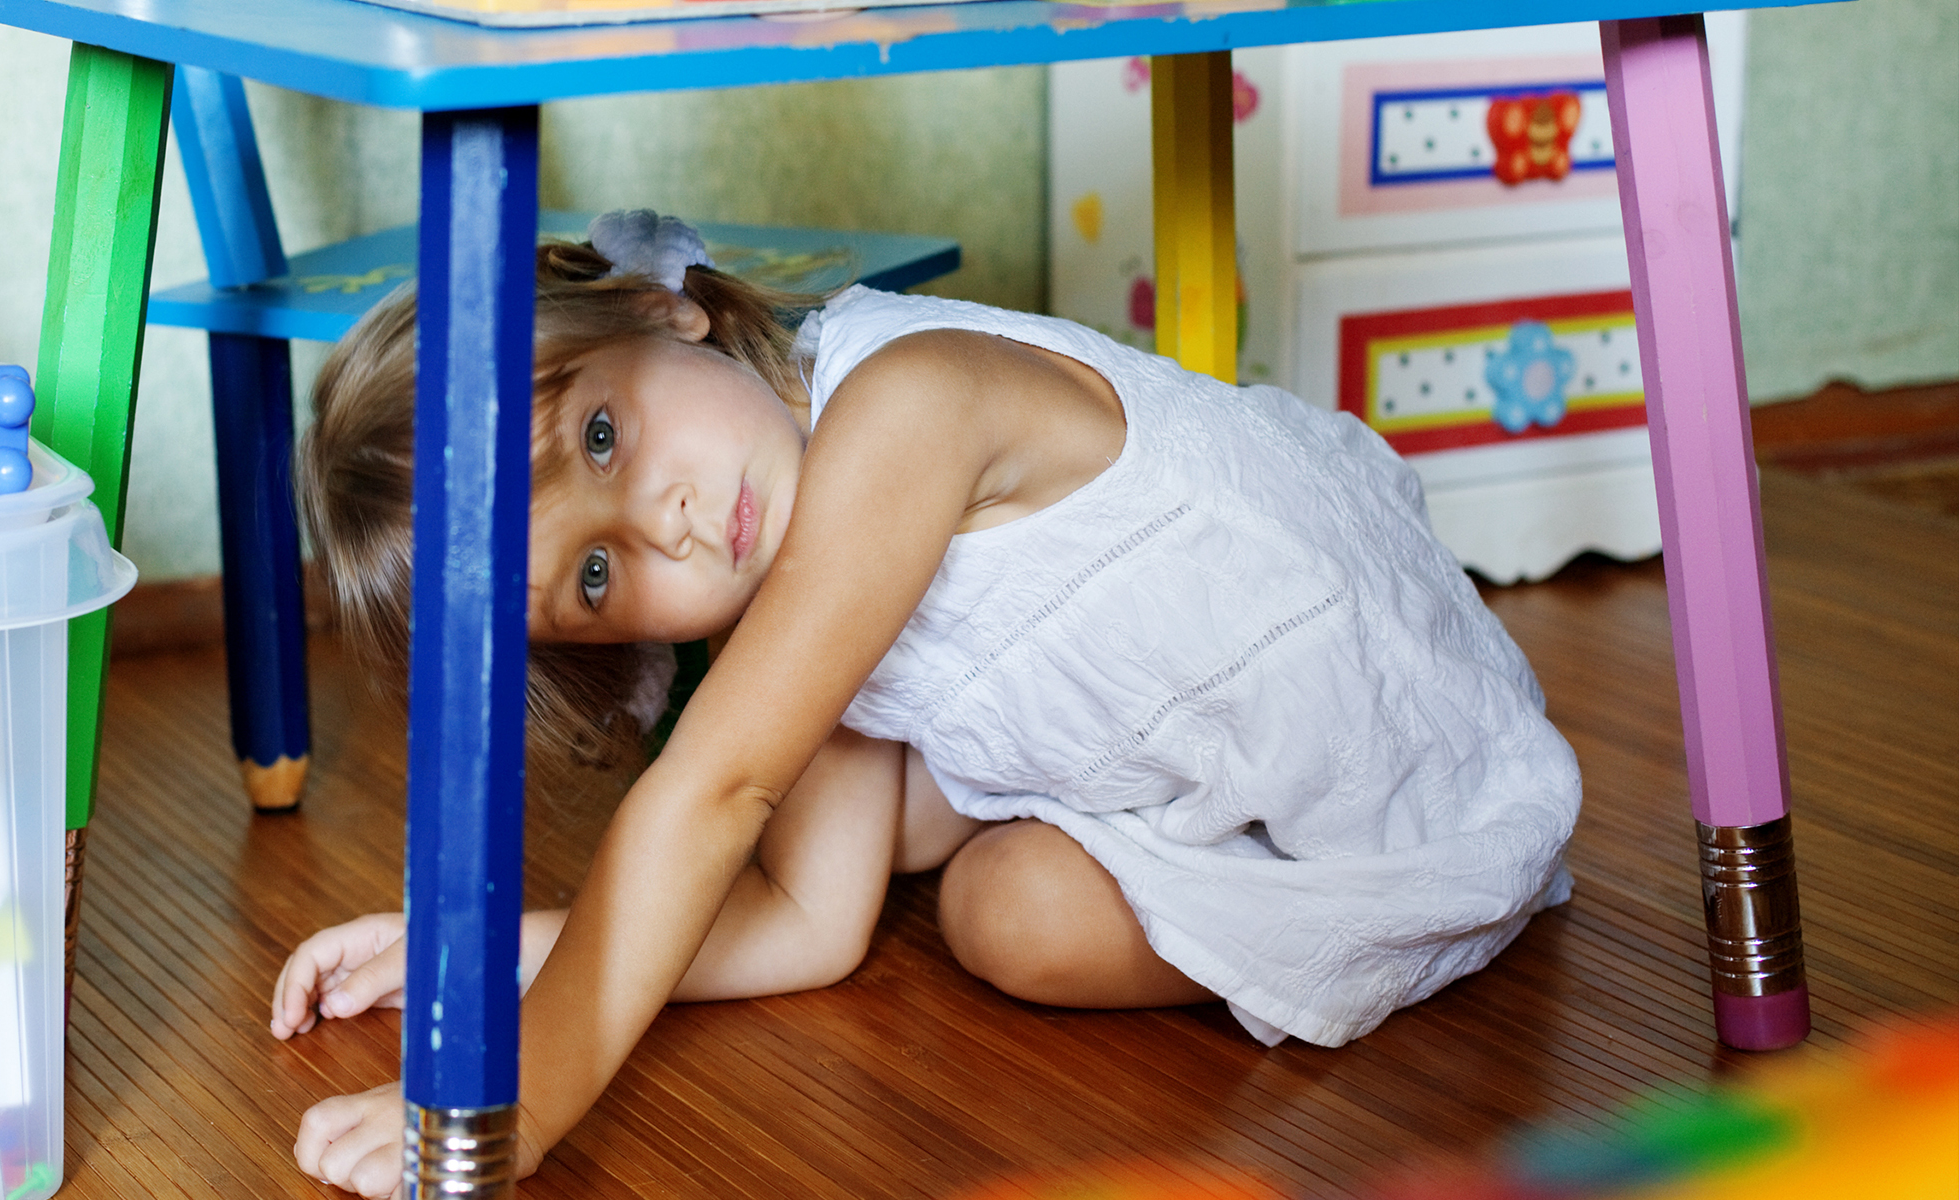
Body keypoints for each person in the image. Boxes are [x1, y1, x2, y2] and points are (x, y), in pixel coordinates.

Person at [273, 210, 1580, 1195]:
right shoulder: (791, 564)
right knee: (998, 908)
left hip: (1388, 741)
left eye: (604, 439)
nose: (664, 522)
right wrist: (494, 956)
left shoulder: (904, 404)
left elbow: (712, 793)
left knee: (973, 892)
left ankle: (1382, 906)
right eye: (599, 574)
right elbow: (807, 924)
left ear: (659, 317)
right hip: (1209, 729)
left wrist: (501, 1105)